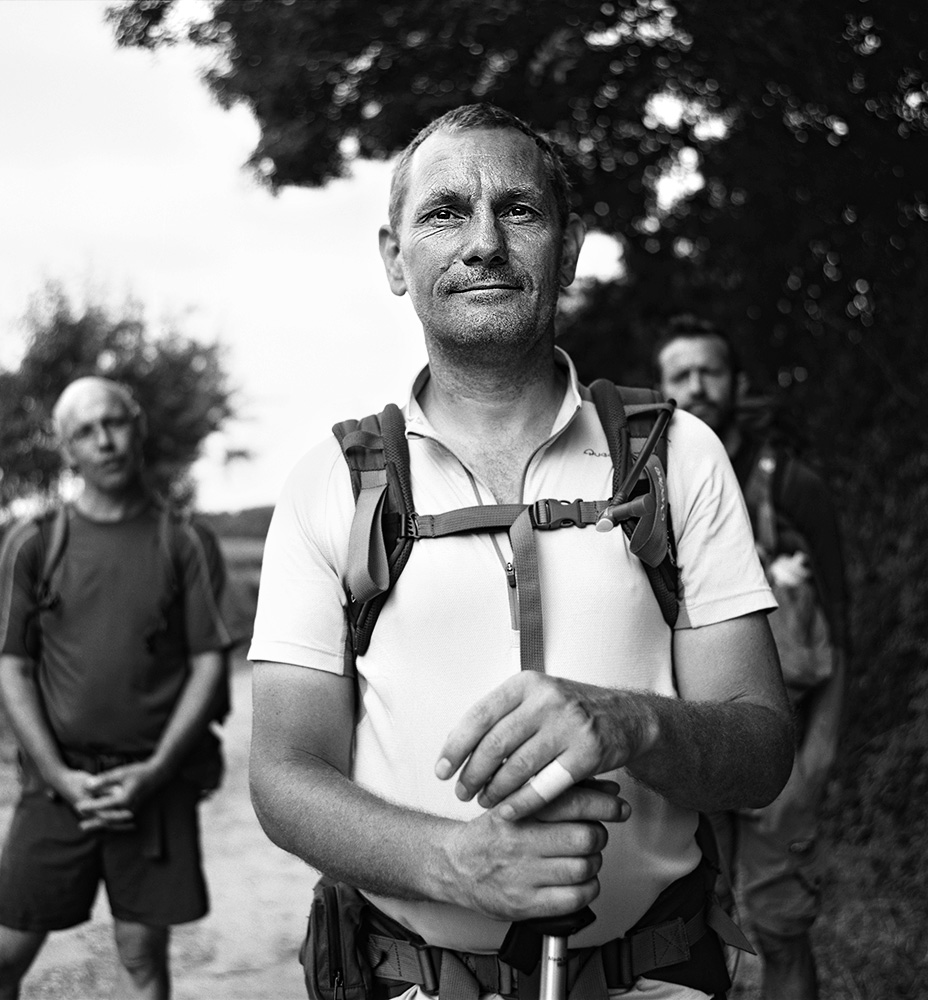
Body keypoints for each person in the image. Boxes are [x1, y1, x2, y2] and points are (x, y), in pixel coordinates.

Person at [249, 104, 793, 1000]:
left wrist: (633, 722)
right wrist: (455, 863)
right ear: (394, 256)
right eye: (444, 212)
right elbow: (283, 774)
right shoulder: (333, 484)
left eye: (520, 210)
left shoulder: (675, 454)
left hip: (657, 979)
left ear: (567, 249)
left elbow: (762, 745)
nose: (484, 243)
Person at [0, 376, 233, 1000]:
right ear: (67, 450)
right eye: (85, 432)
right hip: (57, 790)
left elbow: (207, 663)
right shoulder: (35, 542)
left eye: (114, 422)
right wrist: (58, 775)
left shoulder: (185, 541)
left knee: (141, 960)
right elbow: (12, 665)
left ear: (137, 426)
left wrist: (159, 769)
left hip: (154, 787)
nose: (105, 441)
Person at [655, 315, 848, 1000]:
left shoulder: (793, 485)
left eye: (710, 371)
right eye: (681, 375)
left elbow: (841, 629)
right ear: (663, 388)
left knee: (778, 921)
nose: (697, 386)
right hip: (698, 741)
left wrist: (820, 751)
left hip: (789, 741)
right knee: (703, 922)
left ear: (736, 382)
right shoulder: (653, 487)